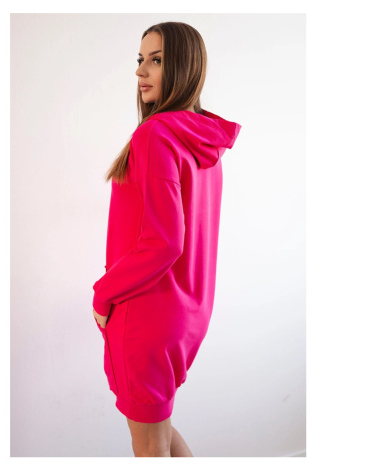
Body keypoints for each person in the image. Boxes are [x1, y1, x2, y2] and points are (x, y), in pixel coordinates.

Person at [91, 21, 241, 457]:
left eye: (156, 60)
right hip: (185, 317)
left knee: (150, 449)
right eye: (141, 59)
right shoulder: (203, 140)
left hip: (146, 316)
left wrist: (102, 295)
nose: (141, 71)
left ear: (183, 67)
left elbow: (165, 243)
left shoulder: (156, 134)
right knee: (159, 438)